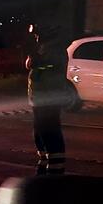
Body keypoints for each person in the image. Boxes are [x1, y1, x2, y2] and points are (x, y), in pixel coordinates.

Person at [26, 23, 68, 175]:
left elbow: (43, 66)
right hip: (39, 100)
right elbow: (31, 65)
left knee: (50, 133)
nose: (36, 38)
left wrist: (35, 58)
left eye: (38, 35)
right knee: (40, 133)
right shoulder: (43, 48)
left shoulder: (56, 50)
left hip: (49, 100)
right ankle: (44, 164)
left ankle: (55, 170)